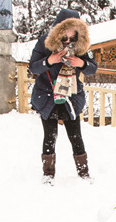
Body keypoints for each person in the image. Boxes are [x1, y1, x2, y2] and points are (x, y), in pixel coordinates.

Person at [29, 9, 98, 184]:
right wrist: (49, 61)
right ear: (58, 31)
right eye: (64, 36)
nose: (68, 40)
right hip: (48, 96)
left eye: (72, 37)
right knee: (50, 136)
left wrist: (81, 63)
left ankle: (84, 173)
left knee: (76, 136)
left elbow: (92, 68)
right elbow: (33, 67)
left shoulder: (81, 46)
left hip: (70, 97)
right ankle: (48, 174)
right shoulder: (44, 42)